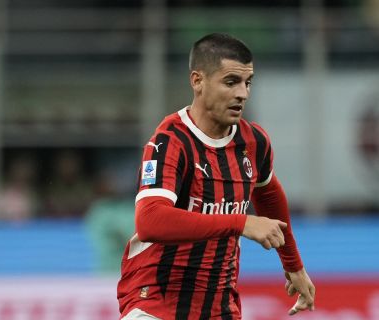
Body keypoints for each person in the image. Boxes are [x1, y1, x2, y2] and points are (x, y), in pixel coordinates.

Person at [117, 33, 315, 319]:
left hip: (219, 306)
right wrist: (241, 222)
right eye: (231, 82)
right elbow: (150, 220)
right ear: (197, 81)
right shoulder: (170, 141)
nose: (243, 94)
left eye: (248, 83)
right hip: (156, 301)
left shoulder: (253, 142)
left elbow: (269, 195)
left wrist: (293, 265)